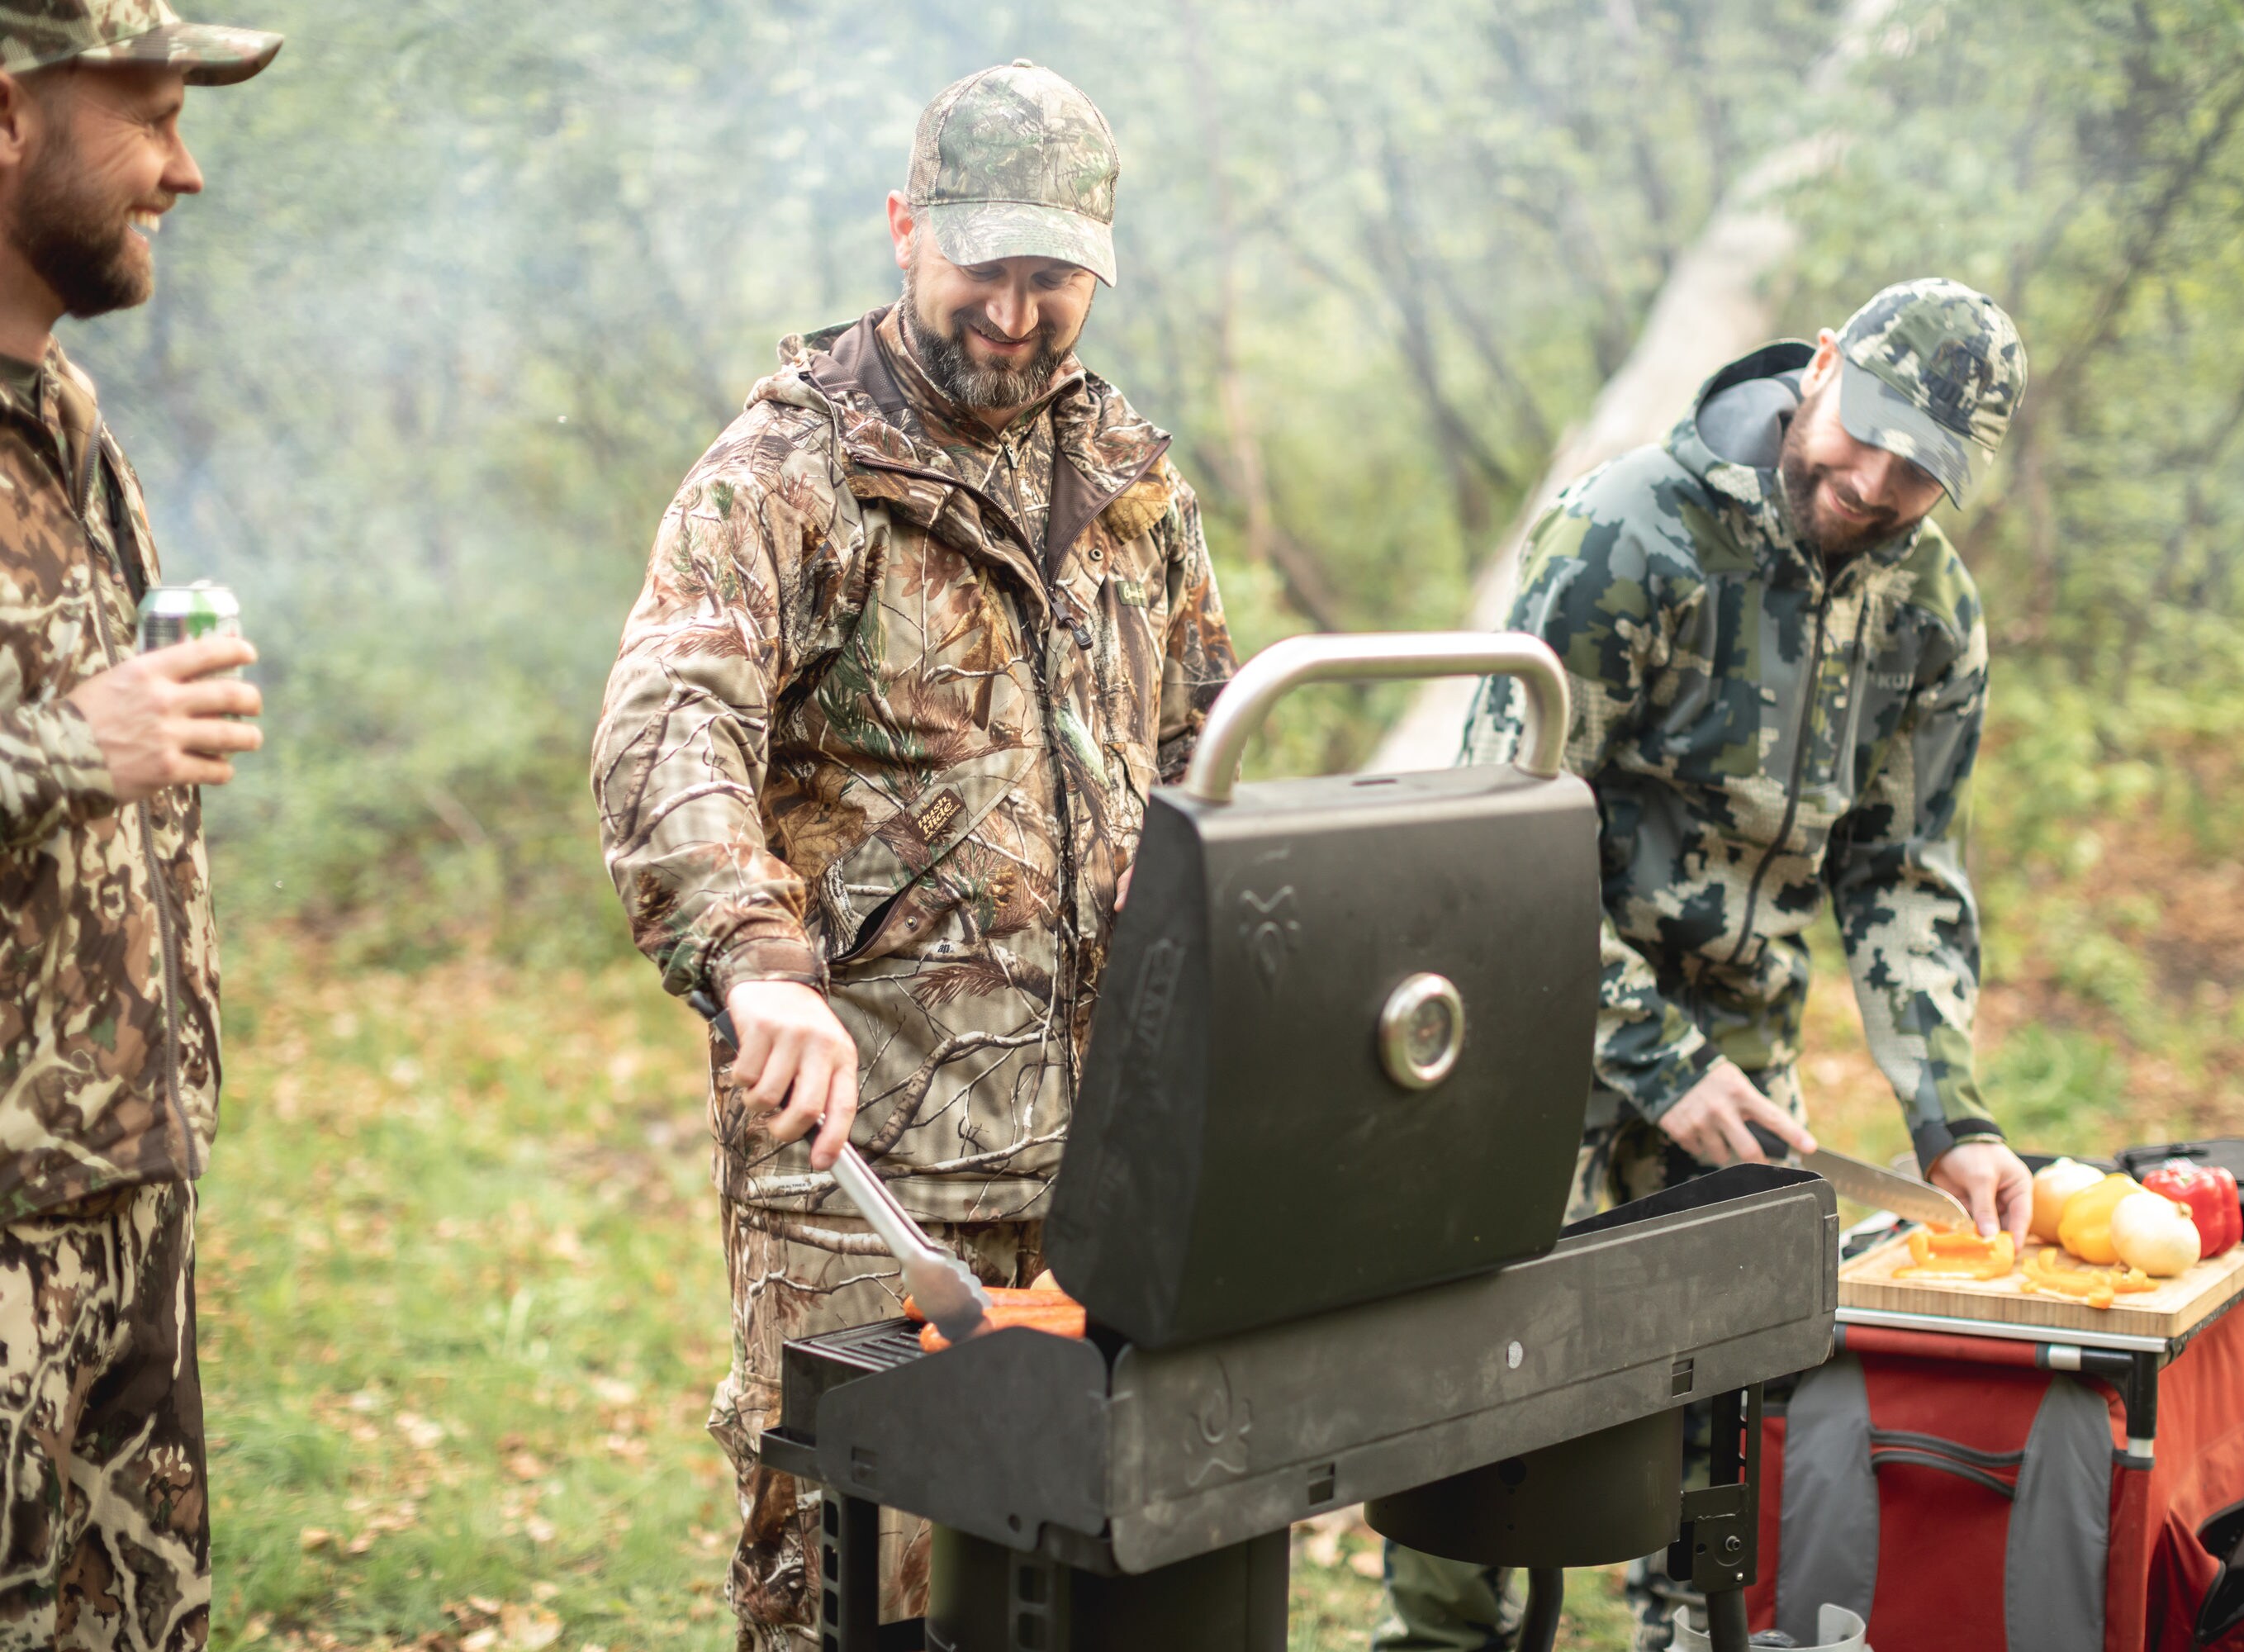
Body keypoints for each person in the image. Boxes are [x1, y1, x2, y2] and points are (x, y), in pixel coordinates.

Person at [591, 59, 1233, 1645]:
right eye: (982, 272)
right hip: (868, 1178)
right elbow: (672, 726)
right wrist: (754, 959)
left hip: (1103, 1165)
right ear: (900, 230)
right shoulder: (786, 475)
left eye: (1052, 278)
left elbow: (1205, 751)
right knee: (849, 1589)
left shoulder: (1136, 486)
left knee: (1082, 1579)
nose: (1014, 317)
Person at [1381, 279, 2038, 1651]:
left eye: (1920, 471)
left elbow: (1903, 871)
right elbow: (1501, 829)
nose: (1871, 480)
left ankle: (1696, 1629)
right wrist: (1655, 1059)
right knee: (1480, 1413)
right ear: (1822, 366)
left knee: (1717, 1425)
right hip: (1532, 1035)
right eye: (1866, 431)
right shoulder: (1631, 533)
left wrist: (1951, 1118)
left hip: (1741, 1066)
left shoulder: (1931, 616)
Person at [0, 3, 278, 1646]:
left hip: (124, 1216)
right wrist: (56, 747)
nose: (184, 169)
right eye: (153, 118)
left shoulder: (68, 424)